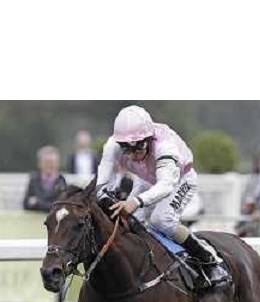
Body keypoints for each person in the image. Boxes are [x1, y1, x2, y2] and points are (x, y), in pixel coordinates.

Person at [96, 105, 229, 286]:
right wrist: (104, 196)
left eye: (138, 148)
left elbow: (166, 185)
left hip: (180, 180)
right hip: (146, 181)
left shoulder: (165, 146)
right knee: (129, 224)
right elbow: (103, 180)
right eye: (127, 149)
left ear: (149, 139)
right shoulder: (112, 145)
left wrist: (135, 201)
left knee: (161, 220)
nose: (133, 156)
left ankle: (209, 260)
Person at [23, 146, 67, 213]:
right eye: (46, 162)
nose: (49, 165)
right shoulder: (34, 179)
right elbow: (26, 204)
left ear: (57, 164)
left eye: (51, 162)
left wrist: (38, 203)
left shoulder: (61, 180)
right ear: (39, 164)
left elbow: (60, 206)